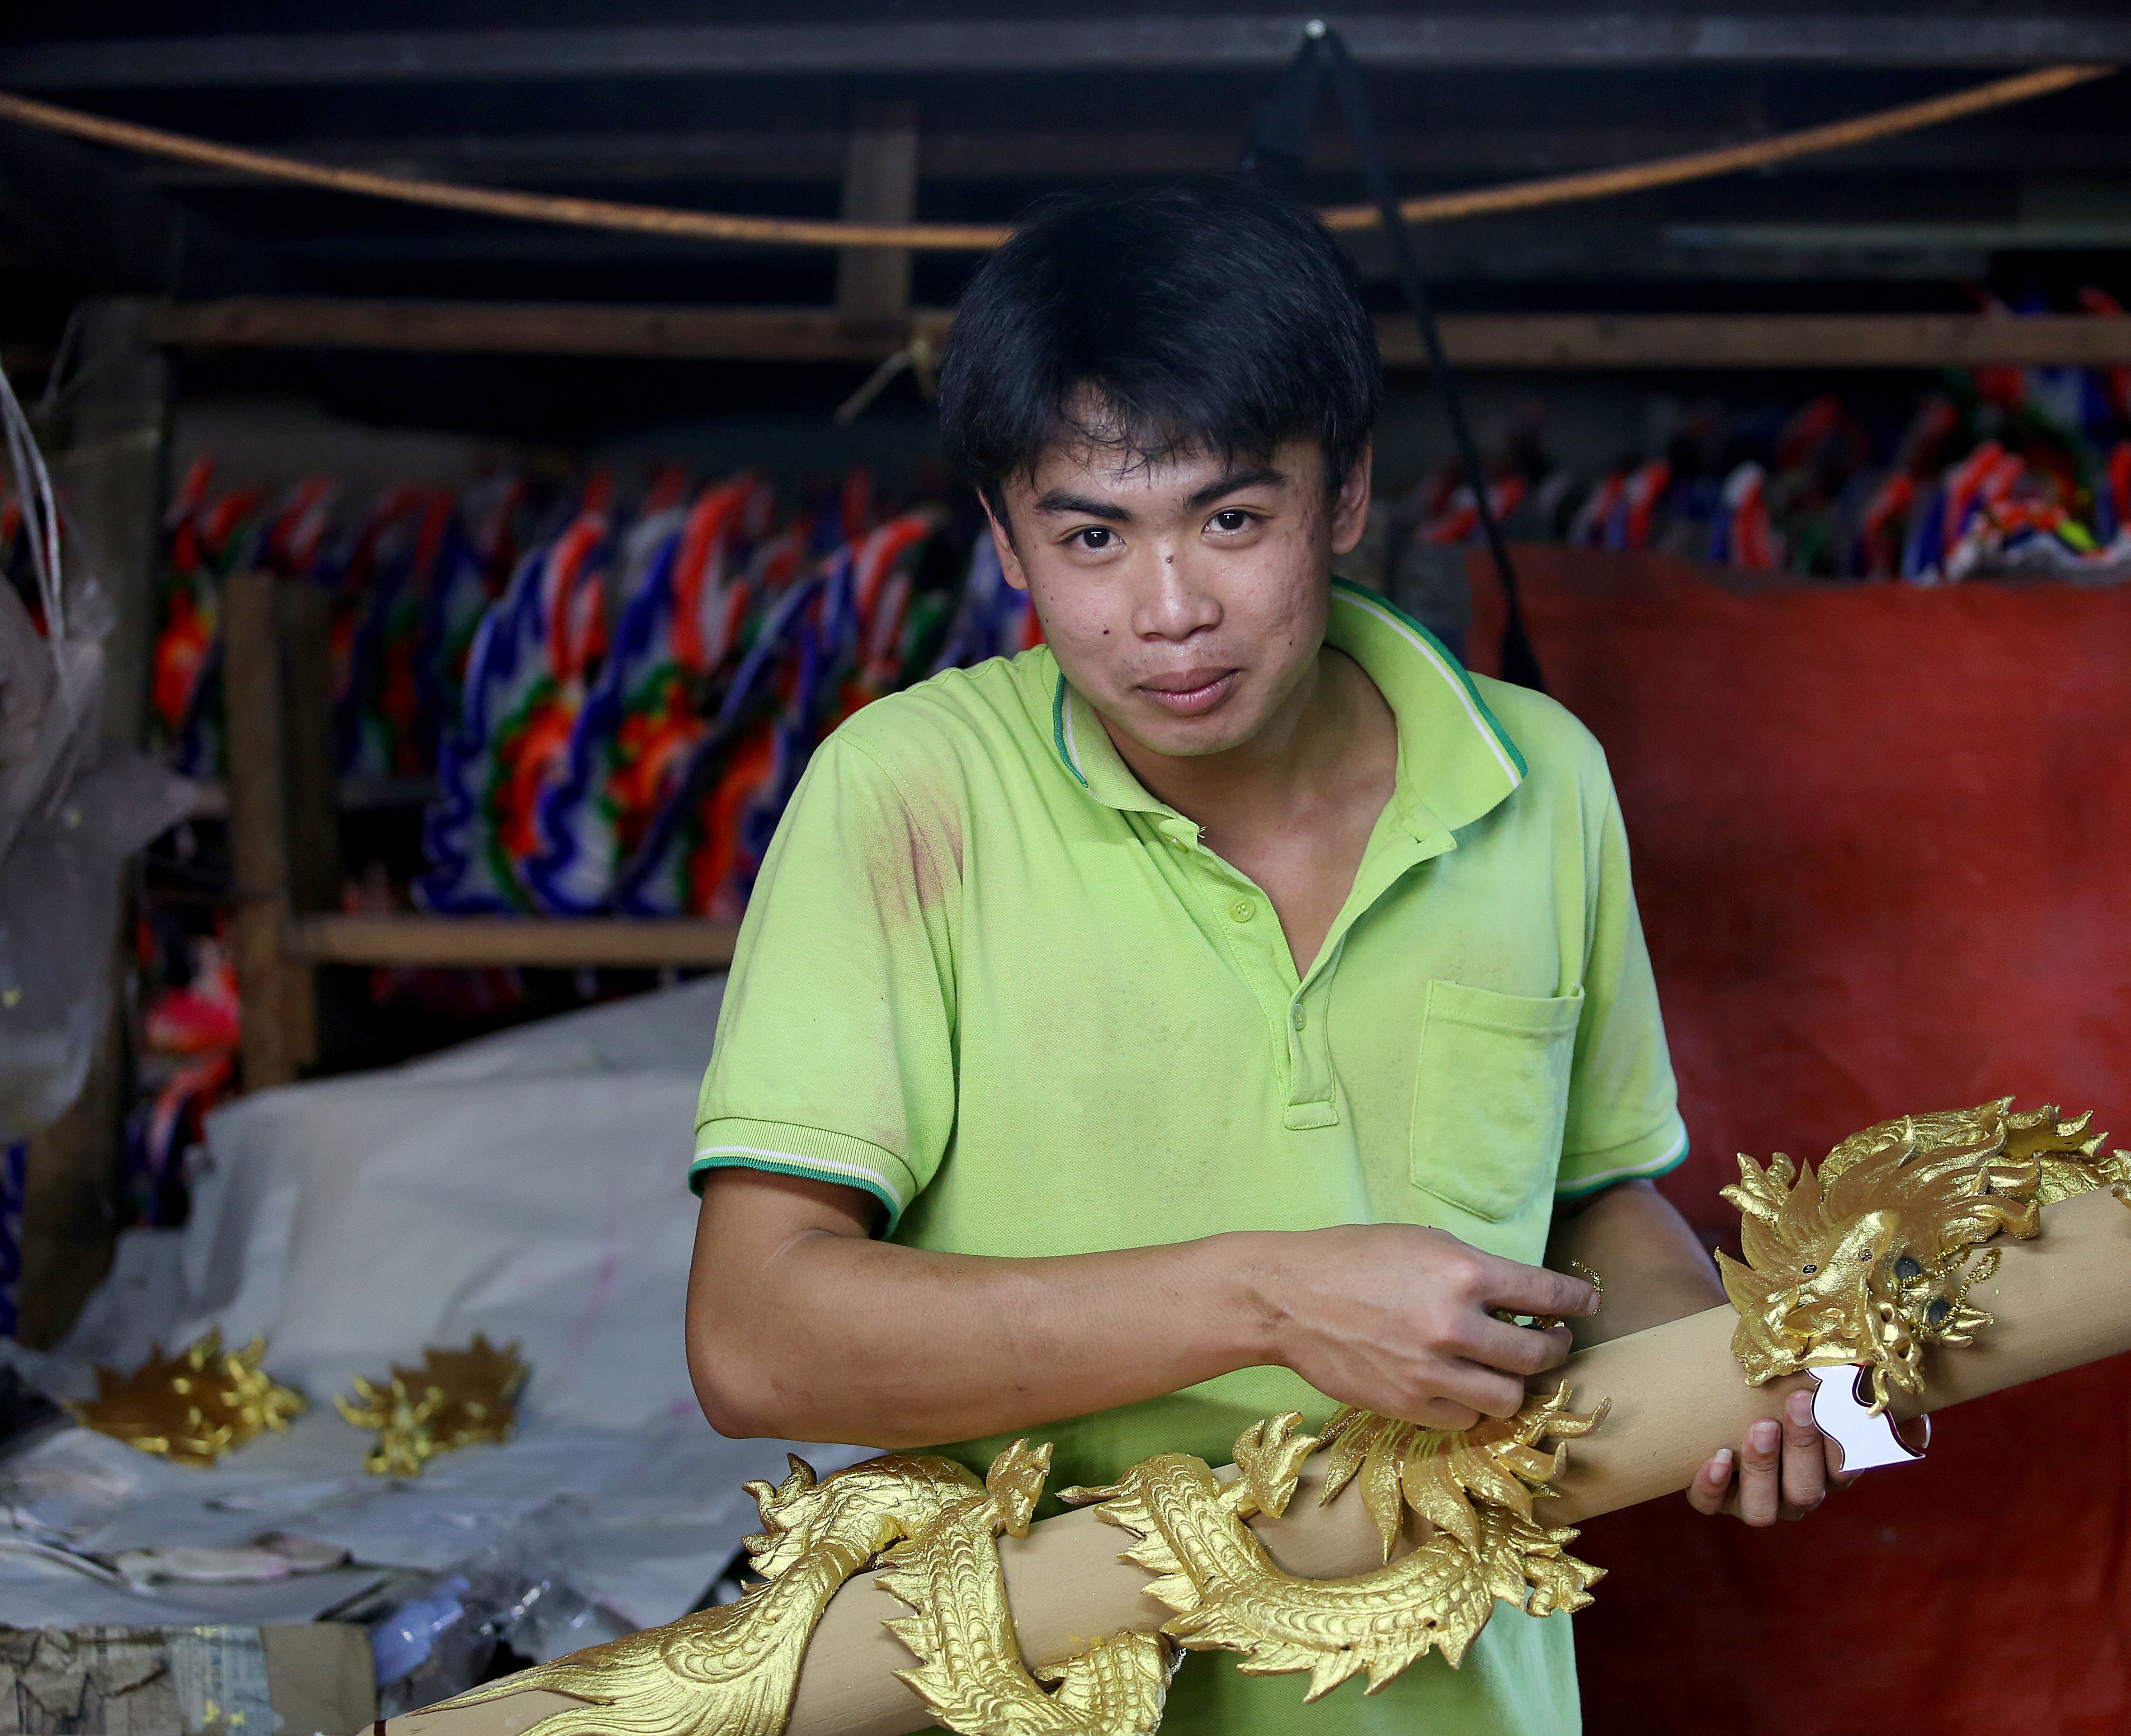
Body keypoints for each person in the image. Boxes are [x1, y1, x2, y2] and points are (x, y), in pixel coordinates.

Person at [684, 179, 1845, 1736]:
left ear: (1347, 494)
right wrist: (1266, 1302)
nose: (1169, 611)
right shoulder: (908, 795)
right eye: (1091, 536)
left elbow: (1594, 1196)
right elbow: (755, 1341)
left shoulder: (1542, 777)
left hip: (1463, 1698)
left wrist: (1725, 1371)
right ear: (1004, 537)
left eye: (1233, 519)